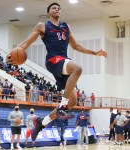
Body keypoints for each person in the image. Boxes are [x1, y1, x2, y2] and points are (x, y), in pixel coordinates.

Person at [6, 2, 107, 142]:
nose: (57, 9)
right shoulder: (43, 25)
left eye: (59, 8)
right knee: (78, 69)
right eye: (54, 8)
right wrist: (13, 52)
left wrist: (95, 53)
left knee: (73, 102)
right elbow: (27, 42)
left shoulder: (66, 27)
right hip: (53, 60)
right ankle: (62, 107)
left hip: (64, 61)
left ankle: (42, 122)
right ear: (49, 12)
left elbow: (76, 45)